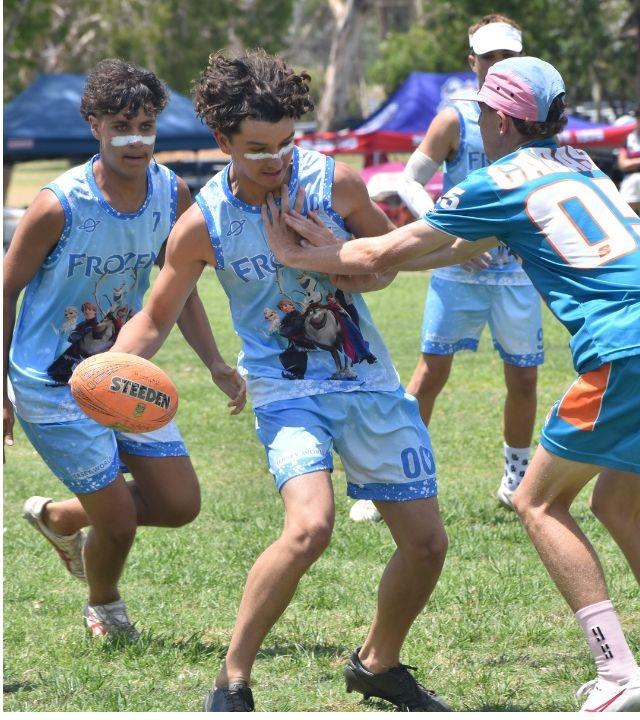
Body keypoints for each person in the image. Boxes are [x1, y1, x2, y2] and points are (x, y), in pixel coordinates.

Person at [262, 55, 640, 713]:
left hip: (624, 351)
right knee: (617, 504)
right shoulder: (582, 165)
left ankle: (617, 674)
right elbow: (446, 251)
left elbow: (389, 251)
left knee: (537, 502)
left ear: (494, 117)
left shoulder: (496, 180)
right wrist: (345, 260)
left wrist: (299, 255)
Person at [111, 49, 450, 711]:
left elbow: (385, 269)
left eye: (287, 143)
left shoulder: (335, 185)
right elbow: (154, 316)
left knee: (427, 544)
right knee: (309, 528)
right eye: (258, 148)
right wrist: (108, 373)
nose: (277, 161)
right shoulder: (203, 223)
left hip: (367, 381)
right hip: (286, 387)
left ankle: (377, 666)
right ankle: (231, 682)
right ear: (222, 143)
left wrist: (324, 251)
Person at [4, 58, 240, 640]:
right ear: (94, 125)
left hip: (121, 372)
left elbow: (177, 286)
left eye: (146, 126)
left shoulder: (172, 193)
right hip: (50, 384)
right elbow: (1, 291)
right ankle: (104, 606)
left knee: (180, 503)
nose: (136, 140)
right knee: (119, 522)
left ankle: (60, 516)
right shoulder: (57, 205)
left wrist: (215, 364)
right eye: (121, 126)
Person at [357, 14, 542, 523]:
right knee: (431, 372)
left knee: (524, 379)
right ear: (473, 62)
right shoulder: (454, 118)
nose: (500, 67)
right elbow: (408, 179)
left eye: (509, 57)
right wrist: (447, 229)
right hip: (457, 273)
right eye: (491, 58)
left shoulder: (536, 118)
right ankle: (394, 480)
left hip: (517, 275)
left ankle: (516, 479)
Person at [617, 115, 640, 213]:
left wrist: (633, 162)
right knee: (624, 213)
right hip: (630, 182)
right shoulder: (629, 139)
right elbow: (623, 164)